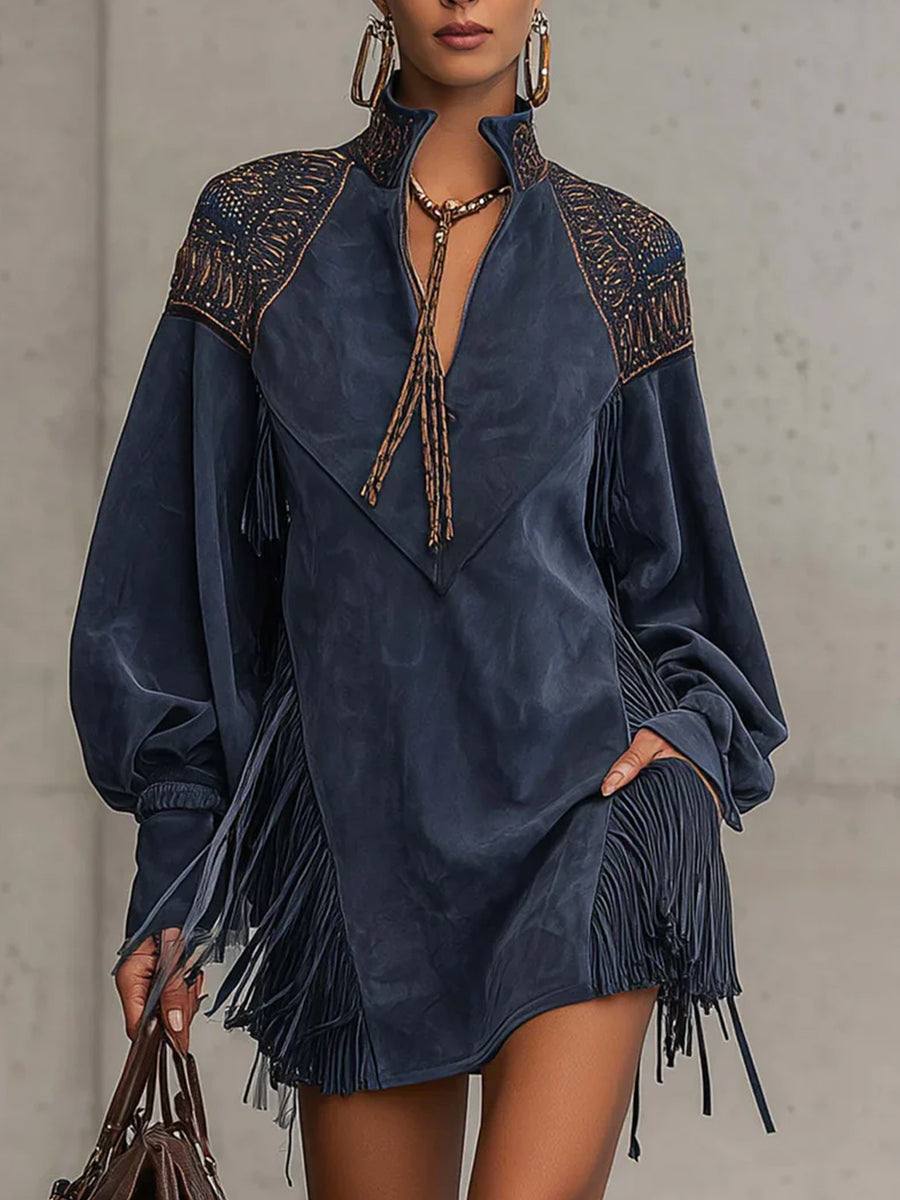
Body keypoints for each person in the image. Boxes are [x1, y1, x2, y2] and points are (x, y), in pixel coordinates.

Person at [67, 2, 789, 1196]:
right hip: (355, 846)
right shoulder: (254, 232)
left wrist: (689, 737)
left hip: (585, 813)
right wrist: (177, 864)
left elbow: (679, 571)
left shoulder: (624, 253)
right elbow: (170, 579)